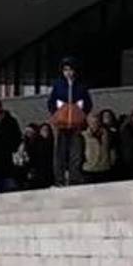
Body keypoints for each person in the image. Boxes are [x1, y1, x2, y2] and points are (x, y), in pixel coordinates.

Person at [48, 58, 92, 186]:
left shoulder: (81, 86)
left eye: (70, 69)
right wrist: (57, 113)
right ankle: (59, 180)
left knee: (76, 152)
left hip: (76, 125)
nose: (68, 72)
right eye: (65, 70)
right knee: (59, 153)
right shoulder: (58, 85)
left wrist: (80, 113)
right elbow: (51, 103)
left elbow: (88, 103)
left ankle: (74, 178)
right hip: (61, 124)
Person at [81, 112, 115, 184]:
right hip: (89, 169)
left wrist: (111, 161)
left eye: (96, 122)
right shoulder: (83, 135)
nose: (94, 124)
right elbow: (80, 151)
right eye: (92, 122)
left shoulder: (107, 134)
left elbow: (111, 148)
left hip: (104, 168)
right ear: (88, 123)